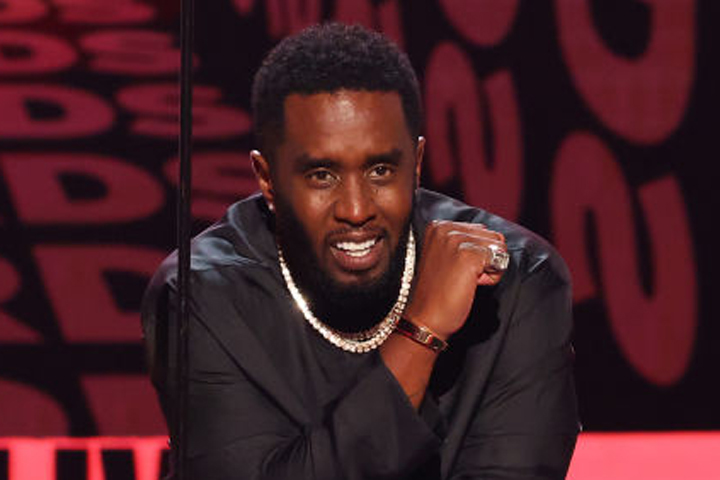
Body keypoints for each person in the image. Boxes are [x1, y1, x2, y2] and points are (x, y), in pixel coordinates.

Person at [142, 22, 580, 480]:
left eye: (380, 171)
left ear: (417, 164)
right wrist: (422, 331)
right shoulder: (201, 296)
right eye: (322, 176)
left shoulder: (514, 282)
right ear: (267, 179)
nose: (356, 210)